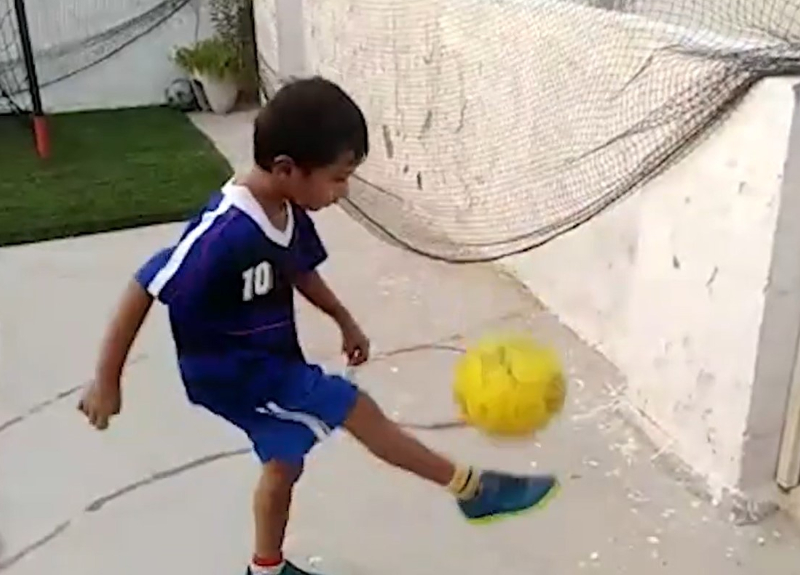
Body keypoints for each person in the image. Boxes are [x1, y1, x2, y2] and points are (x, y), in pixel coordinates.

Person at [78, 76, 558, 575]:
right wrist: (107, 382)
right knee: (351, 406)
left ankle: (266, 569)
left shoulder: (283, 206)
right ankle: (472, 489)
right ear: (287, 168)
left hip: (267, 362)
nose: (342, 191)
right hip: (235, 374)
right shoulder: (226, 232)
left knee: (285, 463)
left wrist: (343, 319)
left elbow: (297, 267)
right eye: (337, 178)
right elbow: (146, 283)